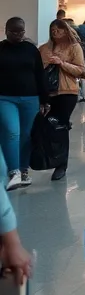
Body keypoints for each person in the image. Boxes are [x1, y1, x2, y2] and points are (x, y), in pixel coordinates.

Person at [0, 17, 51, 191]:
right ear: (6, 30)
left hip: (30, 98)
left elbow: (39, 74)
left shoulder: (31, 49)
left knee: (27, 135)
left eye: (21, 31)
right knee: (11, 132)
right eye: (14, 31)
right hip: (5, 98)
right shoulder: (1, 48)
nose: (18, 35)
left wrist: (45, 99)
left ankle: (23, 170)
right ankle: (13, 171)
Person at [37, 19, 85, 181]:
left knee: (60, 127)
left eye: (59, 29)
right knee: (46, 127)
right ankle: (48, 158)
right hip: (47, 93)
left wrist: (62, 63)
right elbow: (36, 70)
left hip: (67, 92)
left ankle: (61, 164)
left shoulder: (74, 47)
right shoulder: (43, 49)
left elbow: (81, 71)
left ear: (66, 31)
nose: (55, 32)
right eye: (53, 29)